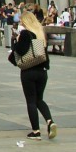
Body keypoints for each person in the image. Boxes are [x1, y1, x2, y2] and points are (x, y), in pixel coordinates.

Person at [12, 11, 56, 141]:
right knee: (39, 99)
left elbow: (20, 50)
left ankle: (36, 131)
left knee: (31, 100)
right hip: (42, 71)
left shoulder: (26, 34)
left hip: (29, 71)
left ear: (26, 21)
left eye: (21, 20)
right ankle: (49, 121)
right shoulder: (39, 34)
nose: (20, 22)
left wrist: (17, 40)